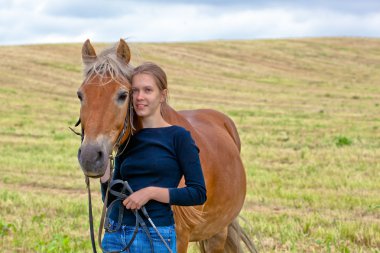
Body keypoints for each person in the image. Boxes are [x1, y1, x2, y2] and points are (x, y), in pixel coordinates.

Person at [100, 62, 207, 253]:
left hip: (154, 236)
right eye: (135, 91)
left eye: (147, 90)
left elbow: (198, 193)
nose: (139, 97)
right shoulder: (126, 139)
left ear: (162, 96)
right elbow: (110, 200)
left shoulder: (179, 137)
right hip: (115, 234)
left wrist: (150, 192)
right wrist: (102, 166)